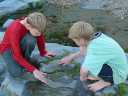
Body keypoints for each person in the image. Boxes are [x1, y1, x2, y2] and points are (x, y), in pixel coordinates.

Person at [59, 21, 128, 92]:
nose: (74, 42)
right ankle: (104, 77)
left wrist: (83, 79)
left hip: (118, 74)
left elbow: (84, 70)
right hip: (118, 65)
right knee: (85, 52)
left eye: (75, 40)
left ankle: (106, 81)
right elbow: (83, 49)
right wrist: (71, 57)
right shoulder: (95, 37)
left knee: (89, 69)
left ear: (81, 40)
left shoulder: (94, 49)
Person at [0, 12, 55, 84]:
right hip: (8, 49)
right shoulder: (15, 29)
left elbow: (39, 37)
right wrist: (33, 70)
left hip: (19, 43)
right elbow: (16, 55)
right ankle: (23, 62)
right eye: (36, 33)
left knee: (31, 40)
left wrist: (43, 52)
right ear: (29, 26)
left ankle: (25, 60)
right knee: (16, 73)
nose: (39, 35)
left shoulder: (32, 22)